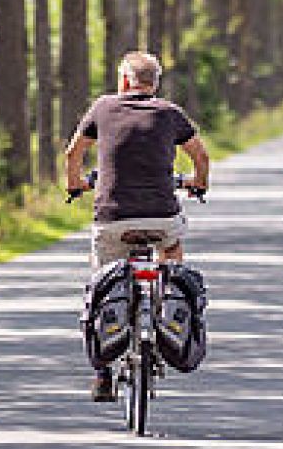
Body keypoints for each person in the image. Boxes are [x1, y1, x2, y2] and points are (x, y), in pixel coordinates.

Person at [66, 51, 210, 402]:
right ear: (153, 84)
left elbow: (74, 153)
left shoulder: (102, 108)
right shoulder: (170, 113)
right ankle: (166, 305)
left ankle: (102, 373)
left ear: (126, 80)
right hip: (161, 217)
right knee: (172, 252)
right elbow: (200, 157)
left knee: (100, 274)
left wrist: (75, 184)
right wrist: (198, 183)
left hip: (113, 219)